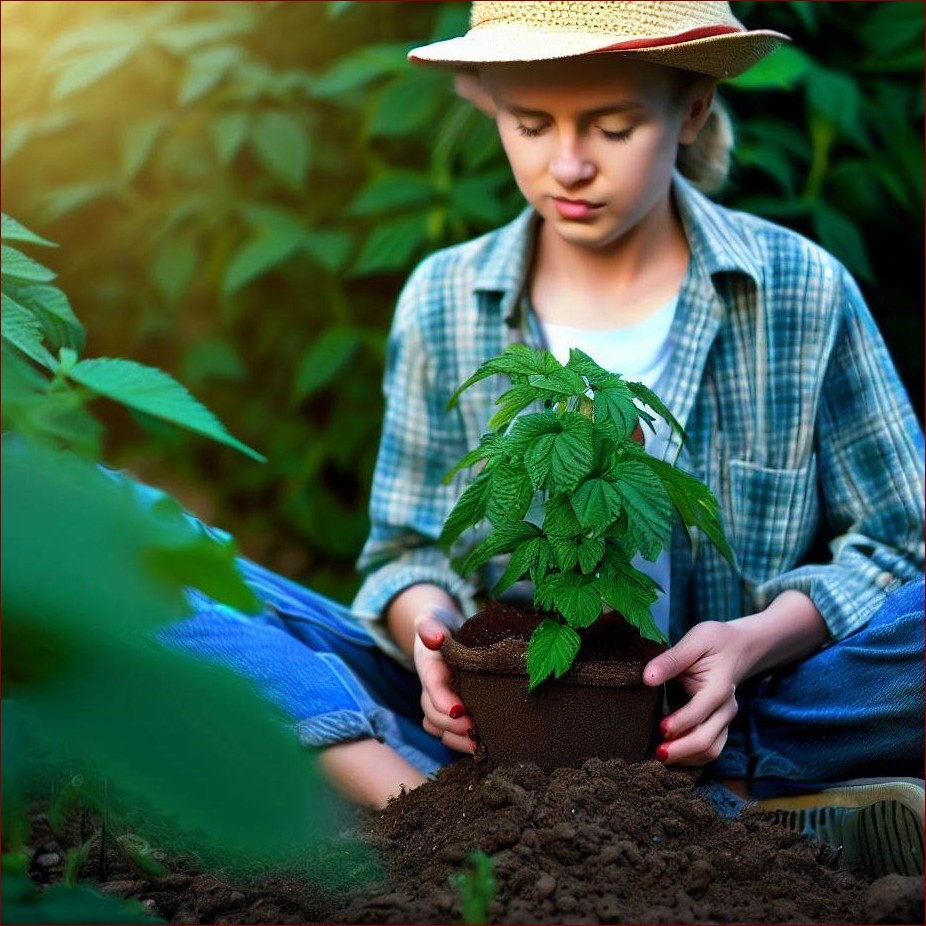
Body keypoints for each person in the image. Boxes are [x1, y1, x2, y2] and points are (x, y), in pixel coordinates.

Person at [160, 1, 924, 875]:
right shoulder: (444, 301)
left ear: (694, 110)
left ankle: (717, 790)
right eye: (531, 124)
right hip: (487, 733)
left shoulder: (796, 290)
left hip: (736, 716)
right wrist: (435, 640)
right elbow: (407, 548)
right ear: (489, 104)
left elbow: (906, 536)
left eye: (613, 125)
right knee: (126, 543)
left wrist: (751, 644)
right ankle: (427, 805)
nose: (568, 164)